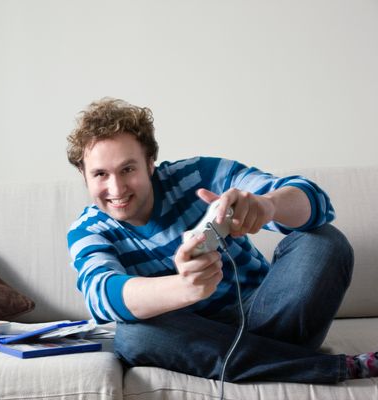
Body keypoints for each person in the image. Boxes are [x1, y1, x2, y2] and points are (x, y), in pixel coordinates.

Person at [65, 97, 376, 383]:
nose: (117, 189)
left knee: (324, 241)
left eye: (128, 169)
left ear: (150, 163)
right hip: (194, 338)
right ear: (84, 175)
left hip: (270, 315)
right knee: (133, 338)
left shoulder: (198, 175)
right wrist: (185, 288)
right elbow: (101, 295)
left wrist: (267, 206)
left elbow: (316, 203)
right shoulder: (87, 230)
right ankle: (334, 366)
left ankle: (271, 361)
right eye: (100, 174)